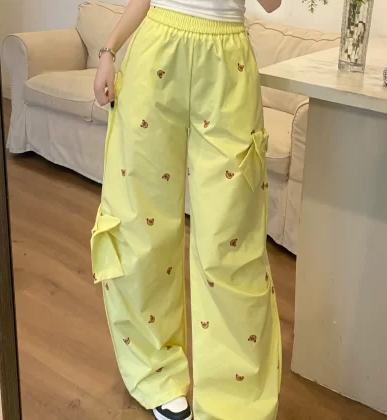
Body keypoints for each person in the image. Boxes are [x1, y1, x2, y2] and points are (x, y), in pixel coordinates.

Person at [91, 1, 282, 419]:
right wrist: (109, 49)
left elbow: (272, 3)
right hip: (156, 48)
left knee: (230, 241)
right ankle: (156, 373)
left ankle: (234, 403)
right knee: (142, 226)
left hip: (227, 61)